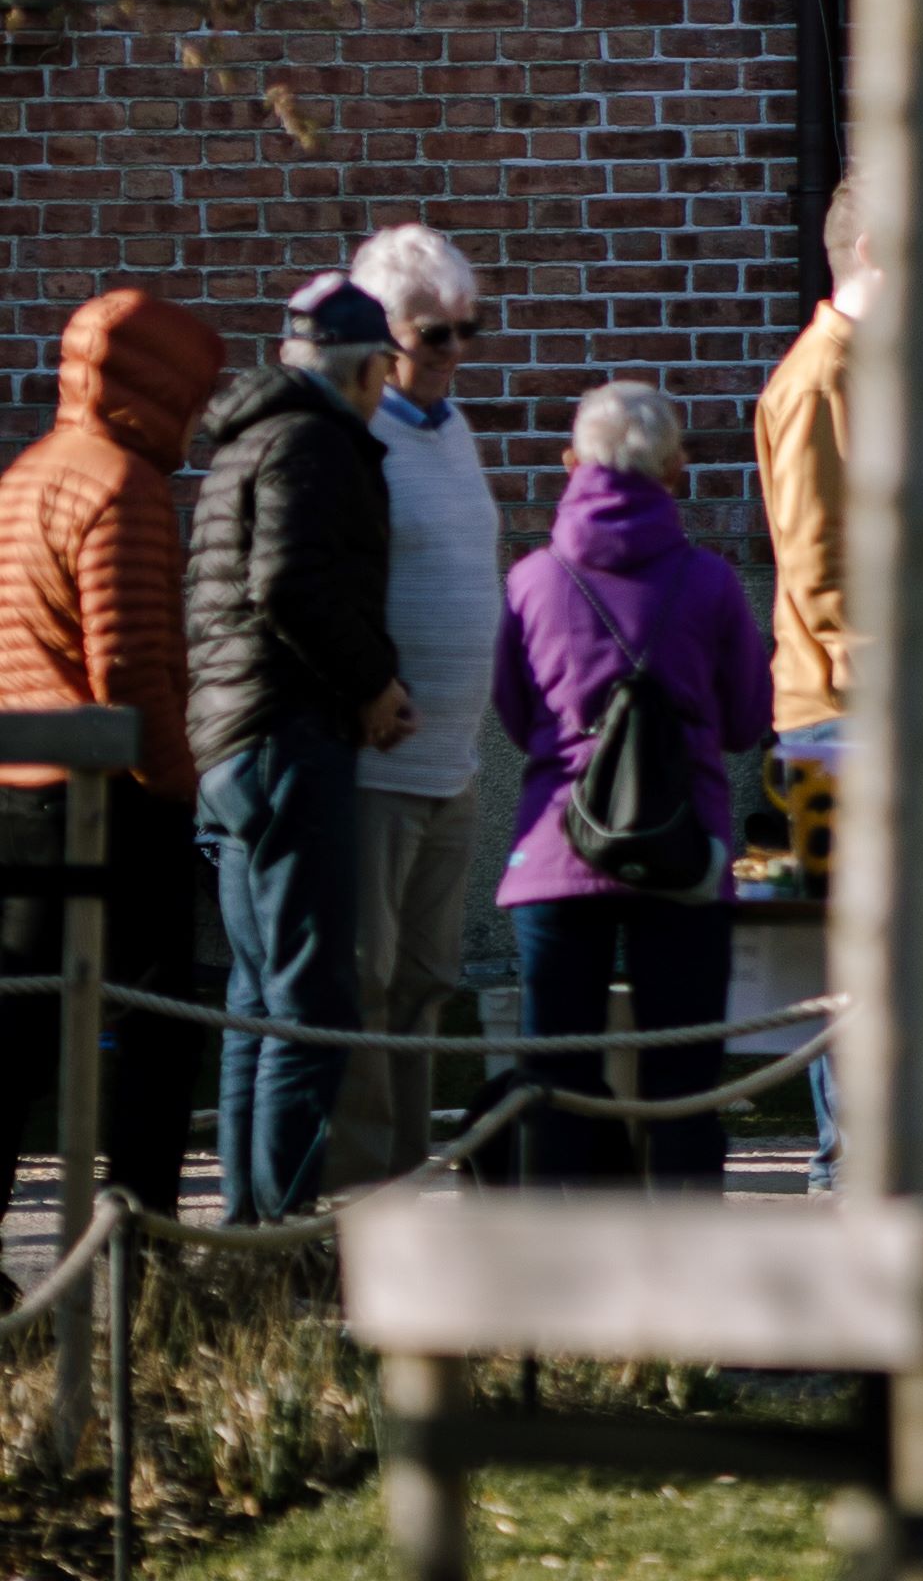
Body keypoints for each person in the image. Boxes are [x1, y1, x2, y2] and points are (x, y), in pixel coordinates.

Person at [487, 384, 769, 1188]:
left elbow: (515, 713)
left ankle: (558, 1281)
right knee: (684, 1083)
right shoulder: (711, 582)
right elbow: (749, 720)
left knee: (556, 1079)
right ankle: (684, 1280)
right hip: (685, 851)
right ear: (676, 470)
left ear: (571, 463)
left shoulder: (532, 580)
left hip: (557, 849)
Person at [185, 274, 406, 1228]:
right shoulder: (314, 444)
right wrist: (373, 682)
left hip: (230, 742)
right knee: (310, 999)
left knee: (256, 999)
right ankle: (277, 1232)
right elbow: (290, 585)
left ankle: (246, 1229)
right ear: (366, 369)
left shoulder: (246, 443)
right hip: (288, 736)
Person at [0, 282, 221, 1229]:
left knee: (11, 1036)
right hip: (106, 799)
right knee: (156, 1026)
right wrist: (181, 784)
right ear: (156, 384)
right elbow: (131, 666)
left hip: (16, 788)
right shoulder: (121, 487)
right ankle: (138, 1245)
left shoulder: (28, 472)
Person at [335, 222, 507, 1190]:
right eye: (432, 334)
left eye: (465, 331)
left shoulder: (453, 430)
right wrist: (370, 683)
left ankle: (404, 1176)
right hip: (375, 765)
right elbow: (321, 584)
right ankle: (357, 1205)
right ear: (377, 331)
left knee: (425, 987)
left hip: (452, 761)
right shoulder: (358, 435)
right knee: (364, 987)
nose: (452, 354)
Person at [756, 180, 876, 1185]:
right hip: (841, 710)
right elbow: (815, 560)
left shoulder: (859, 371)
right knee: (855, 953)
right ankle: (848, 1165)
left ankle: (865, 1159)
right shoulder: (817, 380)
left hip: (869, 701)